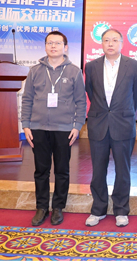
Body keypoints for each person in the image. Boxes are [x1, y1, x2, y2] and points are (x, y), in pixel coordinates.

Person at [21, 31, 86, 227]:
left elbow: (81, 101)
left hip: (64, 129)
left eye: (58, 43)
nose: (53, 46)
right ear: (45, 46)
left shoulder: (74, 71)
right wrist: (26, 125)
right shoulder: (34, 71)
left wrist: (77, 126)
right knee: (41, 170)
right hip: (38, 127)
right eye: (50, 43)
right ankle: (41, 207)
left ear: (65, 47)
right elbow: (27, 99)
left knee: (62, 170)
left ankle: (58, 207)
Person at [84, 28, 137, 227]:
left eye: (114, 40)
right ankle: (98, 209)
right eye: (106, 40)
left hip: (123, 124)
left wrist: (123, 112)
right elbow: (91, 93)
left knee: (123, 170)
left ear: (121, 43)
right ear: (101, 43)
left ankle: (121, 210)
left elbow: (136, 95)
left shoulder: (134, 66)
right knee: (98, 170)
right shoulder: (91, 66)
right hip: (98, 124)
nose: (110, 44)